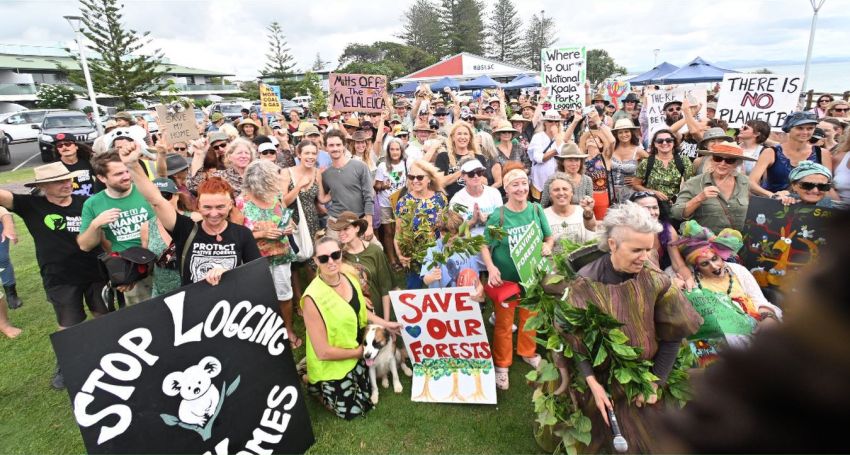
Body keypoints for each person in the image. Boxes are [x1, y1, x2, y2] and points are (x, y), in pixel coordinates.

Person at [543, 202, 702, 454]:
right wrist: (592, 384)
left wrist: (655, 383)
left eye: (649, 249)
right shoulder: (586, 283)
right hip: (601, 375)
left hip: (646, 373)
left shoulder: (657, 280)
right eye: (636, 250)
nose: (645, 257)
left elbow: (673, 336)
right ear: (613, 244)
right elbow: (576, 342)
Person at [1, 162, 109, 386]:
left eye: (67, 179)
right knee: (69, 323)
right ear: (43, 186)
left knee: (103, 315)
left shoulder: (86, 203)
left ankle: (110, 354)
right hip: (60, 277)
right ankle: (66, 365)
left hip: (95, 270)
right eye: (58, 181)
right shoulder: (31, 205)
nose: (66, 184)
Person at [122, 143, 260, 287]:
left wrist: (227, 273)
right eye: (207, 207)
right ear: (198, 205)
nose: (214, 213)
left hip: (231, 305)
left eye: (220, 207)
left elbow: (255, 273)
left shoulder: (243, 234)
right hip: (195, 304)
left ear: (230, 205)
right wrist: (132, 165)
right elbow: (156, 200)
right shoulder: (185, 229)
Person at [300, 237, 401, 420]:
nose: (330, 262)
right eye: (323, 258)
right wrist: (360, 352)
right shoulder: (311, 298)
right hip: (332, 360)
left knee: (368, 392)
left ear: (340, 254)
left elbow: (361, 311)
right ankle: (313, 383)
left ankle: (312, 373)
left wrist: (386, 324)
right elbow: (323, 352)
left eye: (335, 255)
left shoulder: (349, 278)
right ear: (315, 261)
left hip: (357, 349)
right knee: (354, 411)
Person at [481, 162, 554, 390]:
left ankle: (527, 351)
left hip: (531, 277)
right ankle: (502, 365)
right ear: (506, 189)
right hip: (507, 281)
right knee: (503, 323)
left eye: (524, 183)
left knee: (529, 316)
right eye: (515, 184)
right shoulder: (498, 215)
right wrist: (491, 268)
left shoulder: (536, 210)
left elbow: (549, 237)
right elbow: (484, 245)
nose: (521, 188)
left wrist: (548, 246)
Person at [673, 221, 780, 367]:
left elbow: (759, 300)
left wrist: (768, 318)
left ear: (720, 255)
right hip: (717, 339)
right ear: (696, 266)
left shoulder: (738, 270)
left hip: (755, 325)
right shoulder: (691, 281)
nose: (714, 266)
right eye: (705, 264)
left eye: (715, 259)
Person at [231, 160, 300, 347]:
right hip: (256, 259)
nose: (276, 183)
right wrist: (262, 234)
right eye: (272, 180)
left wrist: (287, 228)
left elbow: (287, 218)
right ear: (259, 182)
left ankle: (288, 328)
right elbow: (236, 237)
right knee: (261, 297)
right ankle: (265, 332)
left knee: (284, 294)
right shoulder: (240, 203)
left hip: (282, 255)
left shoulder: (276, 196)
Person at [77, 149, 154, 305]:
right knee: (143, 317)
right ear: (101, 177)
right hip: (130, 270)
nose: (126, 176)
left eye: (127, 171)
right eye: (119, 174)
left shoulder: (145, 190)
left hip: (159, 262)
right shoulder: (93, 204)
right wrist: (96, 224)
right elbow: (85, 245)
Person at [672, 142, 754, 234]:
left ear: (737, 164)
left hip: (738, 244)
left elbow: (755, 211)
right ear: (711, 160)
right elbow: (676, 213)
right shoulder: (695, 183)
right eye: (718, 158)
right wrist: (699, 198)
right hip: (705, 244)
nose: (722, 163)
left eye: (729, 160)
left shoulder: (745, 182)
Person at [749, 112, 833, 198]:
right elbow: (751, 182)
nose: (805, 132)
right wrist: (773, 196)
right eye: (799, 128)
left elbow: (828, 185)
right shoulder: (771, 152)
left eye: (810, 128)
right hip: (774, 205)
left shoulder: (822, 153)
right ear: (789, 128)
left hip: (808, 205)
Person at [141, 178, 201, 297]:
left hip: (194, 288)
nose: (160, 202)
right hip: (162, 292)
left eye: (165, 196)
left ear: (177, 196)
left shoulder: (195, 219)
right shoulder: (146, 227)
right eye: (153, 199)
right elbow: (147, 263)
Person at [394, 159, 448, 288]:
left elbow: (446, 228)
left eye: (419, 177)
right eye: (411, 177)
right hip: (413, 258)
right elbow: (398, 232)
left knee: (438, 293)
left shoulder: (440, 199)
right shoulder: (403, 202)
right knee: (414, 293)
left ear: (429, 179)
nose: (415, 180)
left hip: (435, 255)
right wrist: (399, 254)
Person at [331, 212, 393, 319]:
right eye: (339, 230)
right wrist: (358, 297)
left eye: (346, 229)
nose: (341, 233)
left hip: (378, 313)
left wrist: (386, 322)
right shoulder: (338, 256)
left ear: (357, 228)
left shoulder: (375, 251)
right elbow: (335, 288)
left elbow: (385, 288)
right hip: (351, 316)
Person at [629, 191, 694, 289]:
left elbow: (678, 264)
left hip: (662, 276)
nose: (652, 213)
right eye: (645, 208)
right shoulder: (627, 234)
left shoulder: (666, 229)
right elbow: (642, 274)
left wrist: (689, 280)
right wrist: (670, 282)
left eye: (655, 207)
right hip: (636, 282)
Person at [322, 130, 377, 244]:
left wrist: (369, 225)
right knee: (335, 255)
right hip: (336, 221)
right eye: (331, 145)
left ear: (344, 146)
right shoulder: (326, 174)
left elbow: (368, 196)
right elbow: (323, 197)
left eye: (338, 145)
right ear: (326, 148)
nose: (335, 148)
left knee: (377, 250)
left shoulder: (360, 166)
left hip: (359, 219)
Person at [420, 209, 485, 299]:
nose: (449, 239)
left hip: (464, 299)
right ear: (440, 232)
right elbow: (425, 280)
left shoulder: (466, 248)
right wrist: (432, 276)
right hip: (441, 300)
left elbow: (475, 277)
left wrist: (479, 288)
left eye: (453, 236)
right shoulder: (433, 249)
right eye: (445, 236)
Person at [631, 129, 694, 203]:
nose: (664, 143)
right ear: (655, 144)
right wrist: (653, 193)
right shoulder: (646, 162)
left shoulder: (684, 161)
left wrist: (679, 200)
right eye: (660, 141)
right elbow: (635, 185)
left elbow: (690, 185)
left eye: (668, 140)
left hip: (674, 204)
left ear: (674, 142)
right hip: (652, 204)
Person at [448, 159, 503, 237]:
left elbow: (501, 221)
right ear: (462, 176)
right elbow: (455, 232)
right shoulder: (457, 200)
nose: (476, 176)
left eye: (479, 172)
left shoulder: (494, 193)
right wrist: (474, 220)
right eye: (471, 174)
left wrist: (489, 218)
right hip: (470, 245)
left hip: (494, 241)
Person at [435, 122, 490, 199]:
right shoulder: (443, 156)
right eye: (459, 134)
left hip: (474, 200)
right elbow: (440, 183)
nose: (462, 137)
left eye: (465, 134)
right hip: (451, 202)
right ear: (453, 137)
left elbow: (485, 182)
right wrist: (463, 170)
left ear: (470, 137)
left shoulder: (479, 158)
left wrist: (473, 170)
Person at [374, 137, 407, 266]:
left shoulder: (405, 163)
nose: (394, 152)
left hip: (402, 203)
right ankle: (392, 259)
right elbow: (376, 186)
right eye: (392, 149)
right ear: (388, 151)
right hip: (385, 204)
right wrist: (383, 186)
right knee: (388, 232)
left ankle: (402, 256)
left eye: (397, 149)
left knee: (401, 231)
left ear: (401, 150)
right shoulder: (383, 165)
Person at [543, 173, 596, 243]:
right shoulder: (543, 215)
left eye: (565, 189)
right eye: (556, 190)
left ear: (572, 193)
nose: (561, 193)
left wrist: (588, 212)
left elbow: (592, 228)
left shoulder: (582, 211)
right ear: (550, 194)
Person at [540, 143, 594, 207]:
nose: (574, 164)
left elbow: (590, 206)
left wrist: (588, 203)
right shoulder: (552, 180)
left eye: (577, 160)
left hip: (580, 216)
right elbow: (543, 205)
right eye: (570, 160)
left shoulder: (587, 180)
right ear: (562, 162)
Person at [528, 110, 565, 202]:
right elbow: (539, 158)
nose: (554, 123)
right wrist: (556, 151)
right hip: (539, 182)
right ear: (545, 123)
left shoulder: (561, 137)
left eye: (556, 121)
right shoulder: (537, 137)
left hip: (557, 181)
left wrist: (556, 135)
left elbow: (564, 154)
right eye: (550, 121)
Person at [609, 118, 648, 203]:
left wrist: (639, 180)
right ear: (616, 134)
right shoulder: (611, 149)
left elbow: (652, 167)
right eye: (620, 132)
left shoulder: (638, 151)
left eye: (626, 131)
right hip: (609, 192)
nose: (624, 135)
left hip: (630, 194)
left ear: (631, 133)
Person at [51, 132, 98, 197]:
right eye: (59, 146)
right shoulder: (54, 167)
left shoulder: (88, 161)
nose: (64, 147)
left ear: (76, 146)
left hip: (90, 200)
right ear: (57, 149)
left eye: (68, 144)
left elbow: (101, 177)